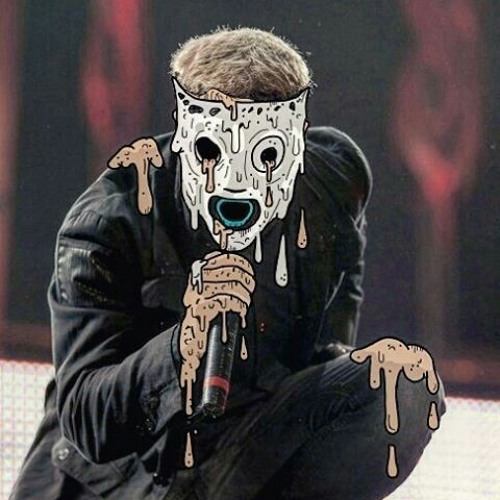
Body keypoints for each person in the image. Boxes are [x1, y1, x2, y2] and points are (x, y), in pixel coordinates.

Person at [11, 27, 445, 499]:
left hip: (241, 454)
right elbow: (86, 420)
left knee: (402, 385)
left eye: (266, 155)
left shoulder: (332, 186)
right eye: (210, 151)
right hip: (120, 481)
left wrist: (343, 363)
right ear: (185, 134)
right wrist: (180, 348)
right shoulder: (111, 221)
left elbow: (329, 330)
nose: (236, 185)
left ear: (295, 144)